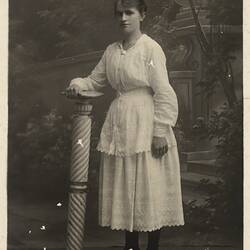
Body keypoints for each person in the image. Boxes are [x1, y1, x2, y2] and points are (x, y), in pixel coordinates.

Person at [66, 0, 184, 249]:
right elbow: (94, 80)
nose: (123, 18)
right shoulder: (111, 51)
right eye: (119, 13)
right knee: (127, 188)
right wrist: (78, 83)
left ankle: (152, 247)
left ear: (142, 15)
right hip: (121, 125)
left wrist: (160, 130)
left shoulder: (150, 49)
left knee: (149, 188)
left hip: (146, 124)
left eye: (129, 12)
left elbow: (163, 91)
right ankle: (131, 246)